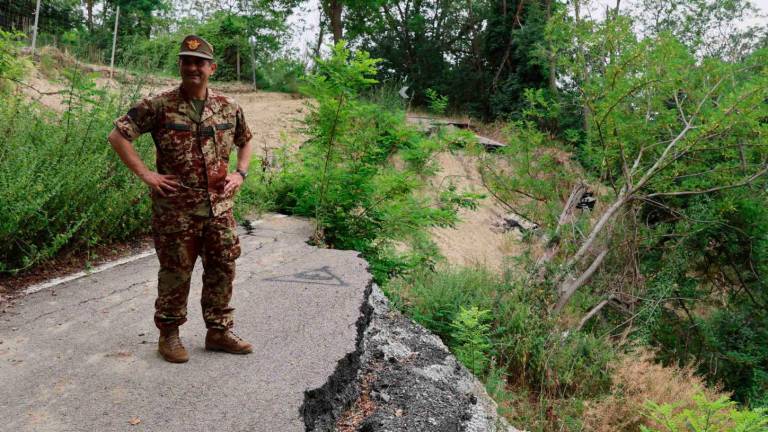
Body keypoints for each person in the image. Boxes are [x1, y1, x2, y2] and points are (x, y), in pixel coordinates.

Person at [107, 35, 254, 363]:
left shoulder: (229, 107)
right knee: (175, 272)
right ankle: (169, 335)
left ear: (211, 68)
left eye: (199, 62)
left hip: (219, 208)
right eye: (186, 61)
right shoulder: (159, 106)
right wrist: (148, 175)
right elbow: (118, 136)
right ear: (180, 66)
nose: (192, 67)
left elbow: (245, 141)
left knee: (222, 267)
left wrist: (240, 174)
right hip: (176, 210)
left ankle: (218, 331)